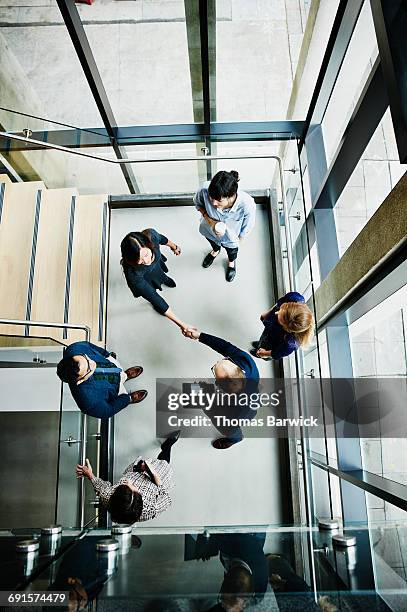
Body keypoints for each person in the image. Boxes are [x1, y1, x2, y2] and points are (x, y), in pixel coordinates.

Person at [76, 432, 180, 524]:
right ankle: (167, 447)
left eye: (124, 484)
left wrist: (90, 475)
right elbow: (166, 498)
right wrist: (156, 478)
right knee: (163, 463)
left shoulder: (108, 496)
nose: (129, 482)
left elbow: (100, 487)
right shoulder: (152, 509)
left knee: (144, 464)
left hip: (136, 471)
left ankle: (162, 451)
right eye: (133, 487)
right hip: (155, 481)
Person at [183, 328, 259, 449]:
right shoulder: (245, 361)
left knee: (230, 430)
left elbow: (213, 413)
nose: (221, 359)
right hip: (248, 395)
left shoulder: (236, 411)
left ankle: (236, 438)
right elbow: (224, 347)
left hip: (235, 419)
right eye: (224, 360)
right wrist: (200, 336)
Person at [121, 228, 192, 332]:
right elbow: (155, 298)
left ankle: (164, 279)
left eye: (146, 255)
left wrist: (174, 247)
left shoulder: (151, 235)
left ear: (149, 245)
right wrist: (182, 324)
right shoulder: (133, 274)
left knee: (160, 274)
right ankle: (161, 282)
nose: (145, 261)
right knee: (153, 295)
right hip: (145, 277)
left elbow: (162, 239)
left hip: (157, 267)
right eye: (138, 259)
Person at [56, 341, 147, 419]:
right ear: (79, 380)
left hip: (109, 365)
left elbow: (90, 346)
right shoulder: (89, 404)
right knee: (124, 396)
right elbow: (108, 411)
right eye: (89, 369)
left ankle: (125, 375)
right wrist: (125, 399)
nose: (93, 363)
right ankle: (129, 397)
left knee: (116, 367)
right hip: (116, 389)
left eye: (86, 359)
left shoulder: (75, 349)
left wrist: (107, 356)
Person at [194, 170, 256, 282]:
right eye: (211, 198)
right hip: (209, 228)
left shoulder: (247, 204)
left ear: (231, 196)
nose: (213, 203)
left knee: (232, 252)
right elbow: (198, 204)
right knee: (213, 242)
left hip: (231, 237)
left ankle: (231, 263)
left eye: (218, 200)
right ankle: (215, 251)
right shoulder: (204, 189)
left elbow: (248, 226)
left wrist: (238, 243)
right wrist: (211, 222)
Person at [251, 292, 314, 360]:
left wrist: (263, 353)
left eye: (279, 318)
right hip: (271, 331)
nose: (276, 313)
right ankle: (260, 344)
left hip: (273, 344)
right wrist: (267, 314)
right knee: (263, 339)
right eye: (280, 310)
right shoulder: (293, 298)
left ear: (287, 328)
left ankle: (259, 350)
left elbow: (276, 353)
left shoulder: (290, 344)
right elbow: (277, 305)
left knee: (264, 345)